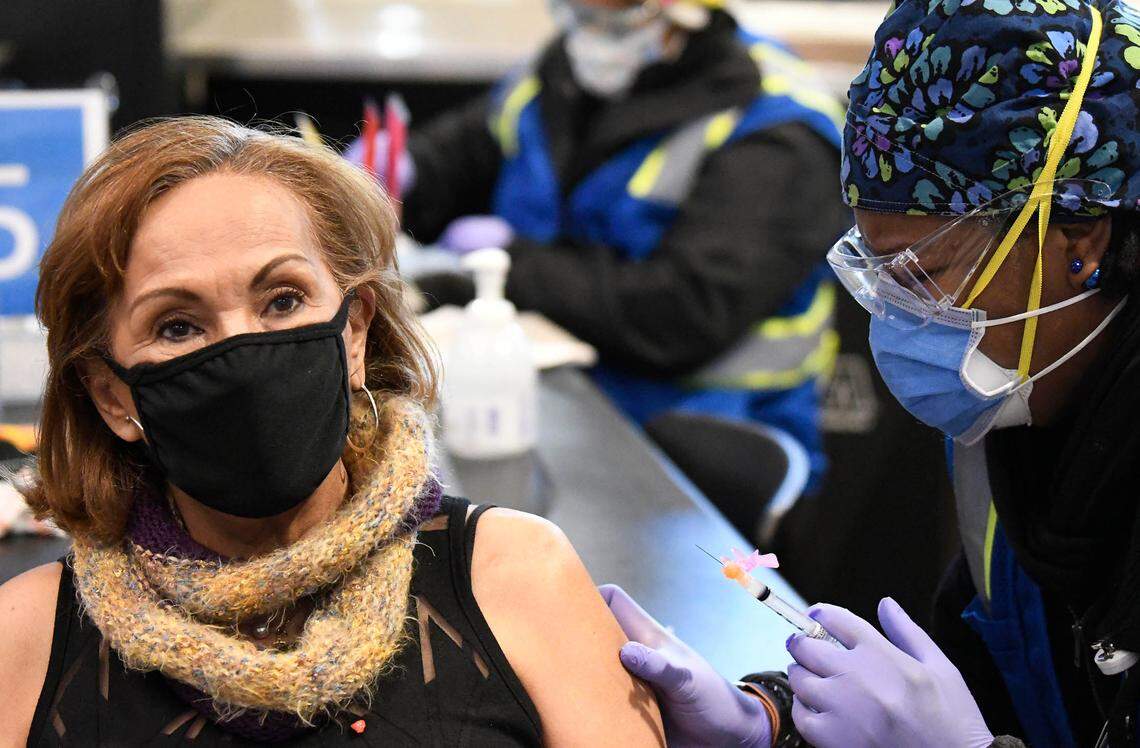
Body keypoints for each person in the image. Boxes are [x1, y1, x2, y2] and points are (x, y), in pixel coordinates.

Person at [0, 117, 665, 746]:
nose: (243, 350)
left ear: (353, 332)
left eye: (282, 301)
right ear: (113, 397)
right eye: (178, 325)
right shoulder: (26, 639)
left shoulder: (515, 576)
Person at [599, 0, 1140, 745]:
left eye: (925, 274)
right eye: (879, 275)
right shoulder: (1009, 415)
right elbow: (976, 672)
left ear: (1081, 237)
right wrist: (774, 720)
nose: (900, 321)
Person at [347, 0, 849, 490]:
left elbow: (683, 313)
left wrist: (515, 263)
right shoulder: (563, 71)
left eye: (612, 16)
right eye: (575, 12)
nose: (587, 31)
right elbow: (466, 149)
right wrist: (396, 173)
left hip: (703, 449)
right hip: (561, 413)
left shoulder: (778, 127)